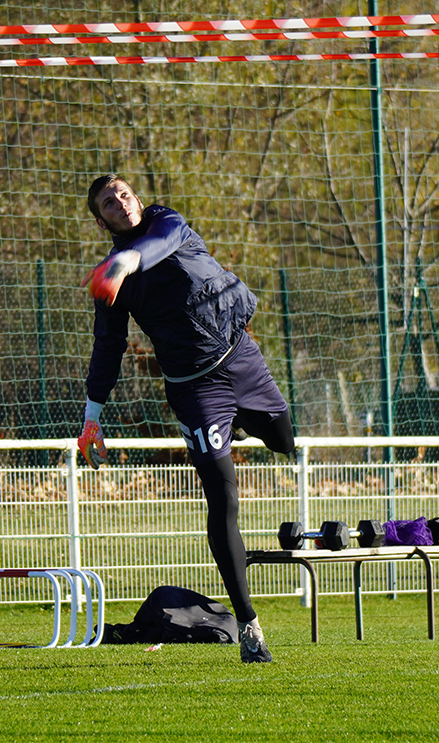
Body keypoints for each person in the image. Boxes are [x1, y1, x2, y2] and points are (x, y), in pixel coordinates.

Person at [77, 174, 295, 664]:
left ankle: (240, 423)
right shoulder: (108, 280)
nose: (120, 203)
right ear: (101, 221)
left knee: (284, 440)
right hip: (195, 391)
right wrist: (92, 415)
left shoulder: (166, 222)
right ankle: (249, 625)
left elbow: (158, 243)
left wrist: (125, 261)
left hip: (242, 361)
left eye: (123, 194)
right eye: (108, 204)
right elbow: (107, 347)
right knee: (222, 498)